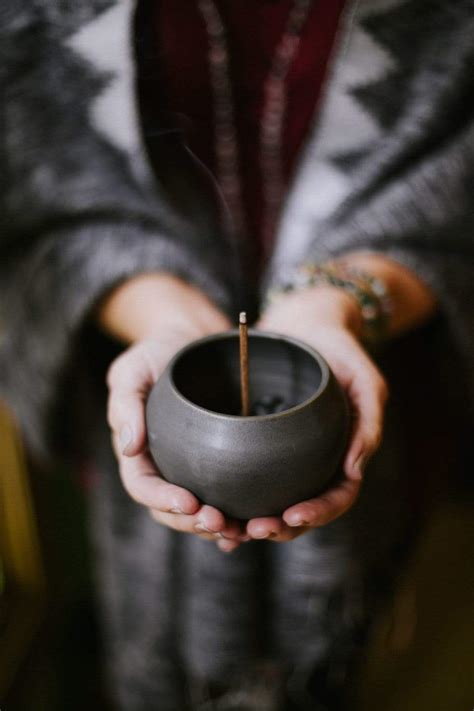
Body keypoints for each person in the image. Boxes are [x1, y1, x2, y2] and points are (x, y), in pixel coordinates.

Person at [2, 1, 474, 709]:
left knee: (348, 643)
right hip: (134, 358)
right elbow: (28, 198)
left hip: (384, 376)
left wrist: (335, 302)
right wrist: (159, 313)